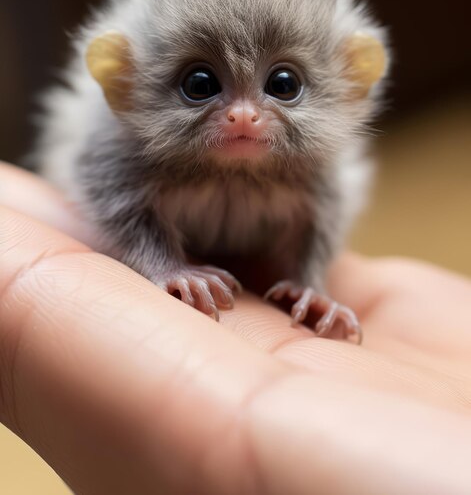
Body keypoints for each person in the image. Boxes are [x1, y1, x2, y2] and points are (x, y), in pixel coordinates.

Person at [1, 162, 470, 495]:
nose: (244, 114)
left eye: (282, 85)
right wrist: (163, 265)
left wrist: (311, 282)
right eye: (202, 85)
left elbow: (316, 215)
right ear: (122, 84)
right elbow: (111, 190)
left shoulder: (313, 165)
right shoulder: (131, 140)